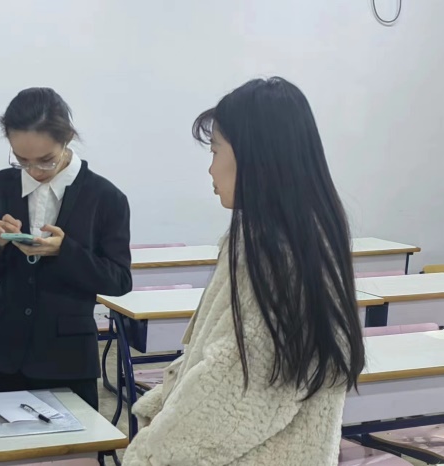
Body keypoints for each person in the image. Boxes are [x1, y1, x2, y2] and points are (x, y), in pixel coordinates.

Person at [124, 77, 365, 465]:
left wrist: (150, 453)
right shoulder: (297, 234)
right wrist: (167, 403)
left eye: (215, 150)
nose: (210, 169)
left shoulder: (275, 252)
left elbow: (235, 390)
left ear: (255, 156)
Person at [0, 87, 132, 410]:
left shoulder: (106, 197)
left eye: (45, 160)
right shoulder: (1, 184)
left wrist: (65, 251)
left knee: (74, 441)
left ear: (67, 139)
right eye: (21, 160)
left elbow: (120, 280)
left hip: (66, 357)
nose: (33, 171)